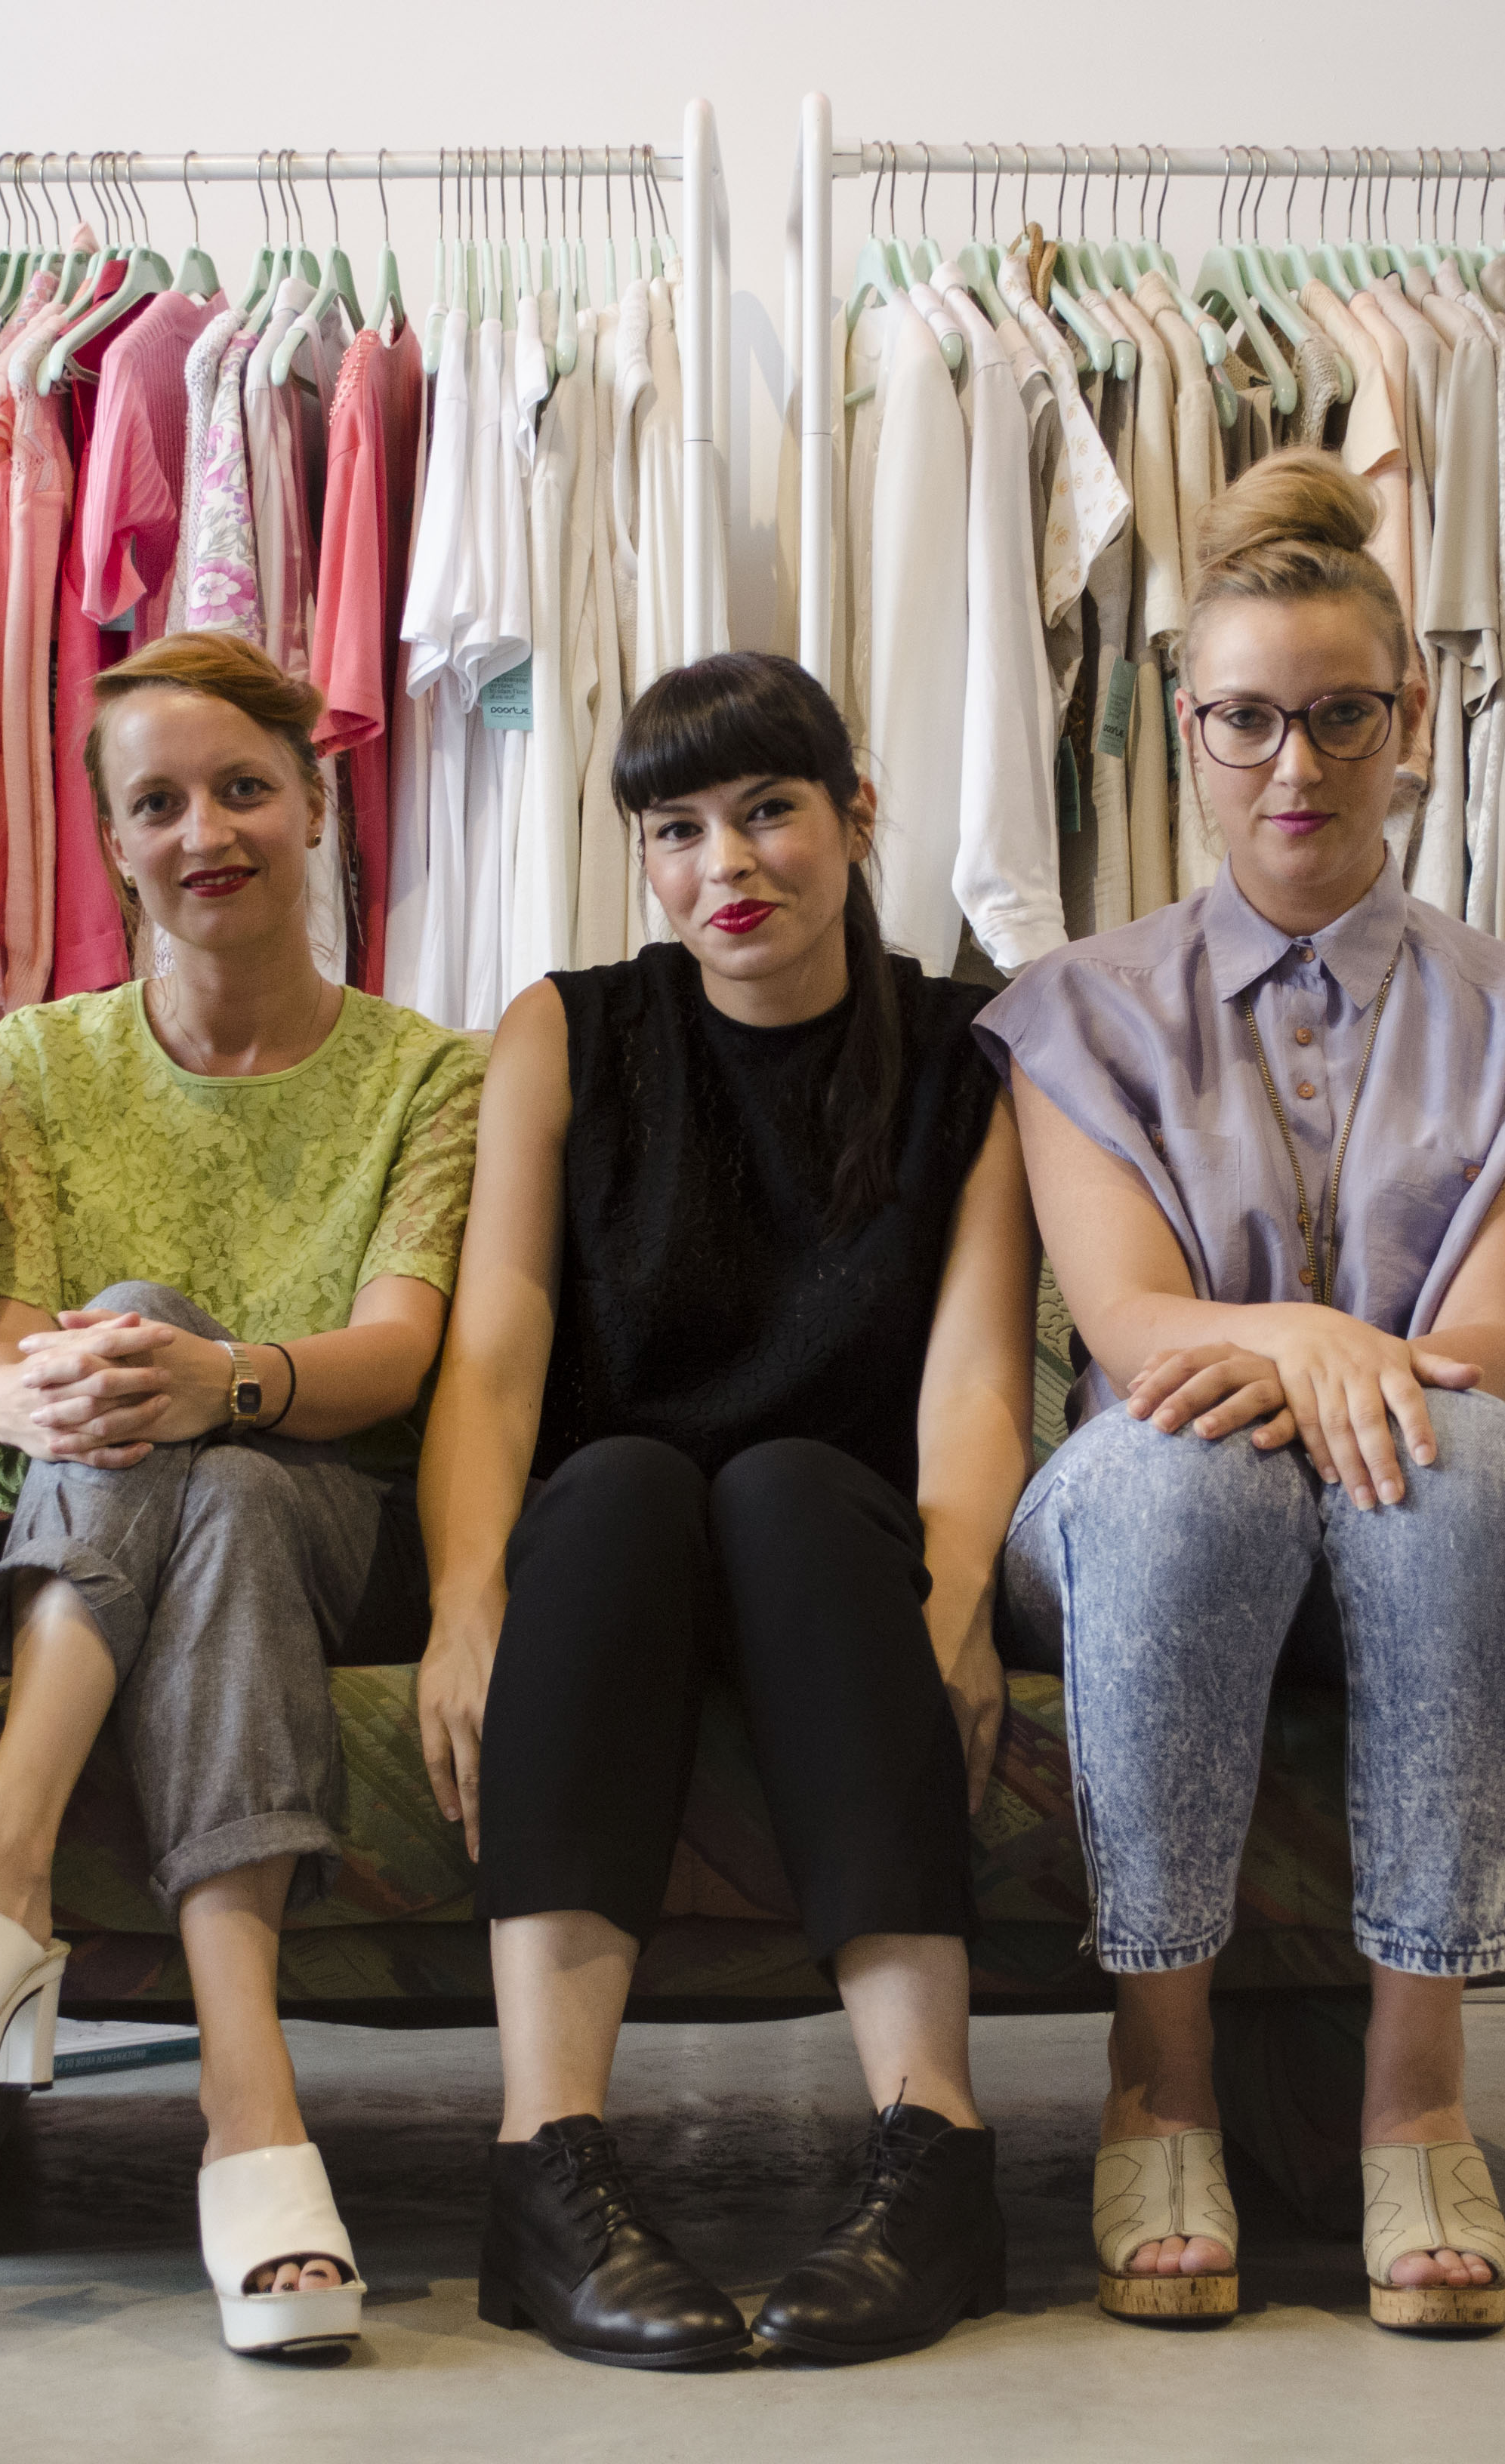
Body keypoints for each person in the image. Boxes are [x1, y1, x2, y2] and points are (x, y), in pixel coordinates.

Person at [981, 451, 1505, 2337]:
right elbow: (1129, 1325)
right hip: (1146, 1496)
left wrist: (1333, 1363)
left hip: (1426, 1488)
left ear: (1406, 721)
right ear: (1185, 727)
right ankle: (1154, 2077)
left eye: (1340, 717)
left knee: (1473, 1468)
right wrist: (1306, 1339)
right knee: (1188, 1475)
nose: (1296, 767)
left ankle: (1416, 2096)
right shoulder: (1073, 1012)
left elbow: (1490, 1342)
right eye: (1248, 720)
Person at [0, 630, 484, 2361]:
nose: (210, 832)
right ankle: (252, 2125)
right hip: (126, 1514)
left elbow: (400, 1351)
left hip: (354, 1519)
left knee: (200, 1400)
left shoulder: (430, 1075)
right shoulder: (30, 1065)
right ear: (110, 839)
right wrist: (24, 1379)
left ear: (316, 805)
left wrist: (217, 1375)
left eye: (245, 789)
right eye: (161, 803)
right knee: (193, 1456)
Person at [417, 651, 1042, 2369]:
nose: (728, 865)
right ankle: (546, 2168)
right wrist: (468, 1596)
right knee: (620, 1482)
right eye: (676, 830)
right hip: (610, 1563)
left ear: (854, 817)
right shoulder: (568, 1030)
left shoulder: (971, 1056)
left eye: (769, 809)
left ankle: (934, 2157)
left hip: (826, 1549)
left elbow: (976, 1379)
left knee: (775, 1487)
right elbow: (494, 1357)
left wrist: (964, 1590)